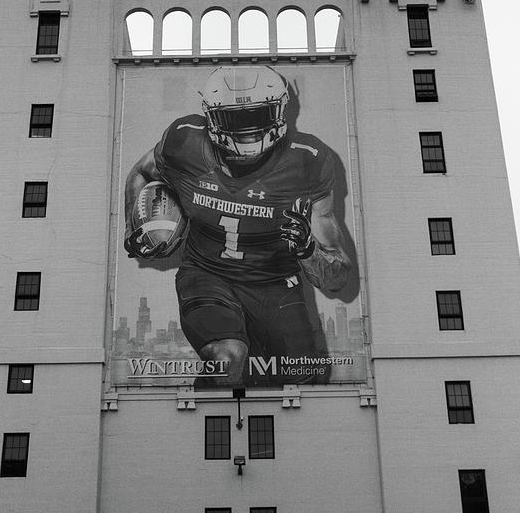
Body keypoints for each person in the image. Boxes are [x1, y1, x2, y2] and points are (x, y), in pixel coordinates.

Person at [123, 66, 351, 387]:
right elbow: (143, 172)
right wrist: (135, 221)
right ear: (212, 119)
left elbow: (337, 276)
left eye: (259, 116)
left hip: (275, 282)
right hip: (207, 273)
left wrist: (307, 249)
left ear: (280, 110)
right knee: (227, 358)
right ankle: (207, 427)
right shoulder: (185, 140)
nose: (248, 131)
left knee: (307, 377)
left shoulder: (308, 160)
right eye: (235, 119)